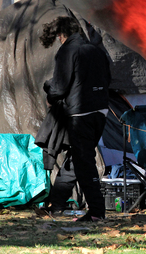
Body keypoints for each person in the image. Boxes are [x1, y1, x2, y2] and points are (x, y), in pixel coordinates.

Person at [39, 16, 111, 221]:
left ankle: (97, 212)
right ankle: (56, 205)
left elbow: (60, 86)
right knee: (78, 158)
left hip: (80, 113)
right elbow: (107, 79)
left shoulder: (67, 51)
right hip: (100, 111)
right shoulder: (96, 50)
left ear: (61, 35)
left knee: (84, 162)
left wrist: (51, 96)